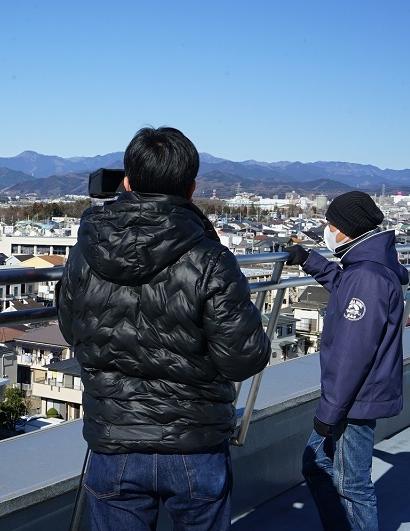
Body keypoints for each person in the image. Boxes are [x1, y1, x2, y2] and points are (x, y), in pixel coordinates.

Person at [57, 126, 271, 531]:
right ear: (191, 190)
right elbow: (244, 359)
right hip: (195, 442)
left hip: (114, 439)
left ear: (126, 182)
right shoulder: (211, 259)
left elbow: (72, 332)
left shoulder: (85, 251)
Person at [286, 191, 408, 530]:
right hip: (353, 398)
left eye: (330, 224)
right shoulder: (366, 269)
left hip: (352, 402)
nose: (327, 229)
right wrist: (310, 260)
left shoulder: (366, 277)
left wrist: (328, 412)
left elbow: (352, 355)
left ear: (347, 229)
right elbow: (344, 286)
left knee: (352, 486)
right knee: (316, 467)